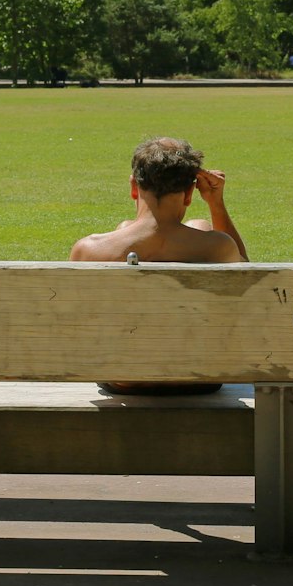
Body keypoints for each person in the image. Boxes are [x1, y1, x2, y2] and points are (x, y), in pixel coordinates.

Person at [71, 136, 247, 395]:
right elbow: (249, 278)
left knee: (127, 228)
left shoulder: (88, 250)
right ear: (189, 194)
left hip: (123, 378)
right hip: (199, 378)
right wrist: (215, 203)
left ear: (134, 187)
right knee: (199, 226)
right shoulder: (217, 247)